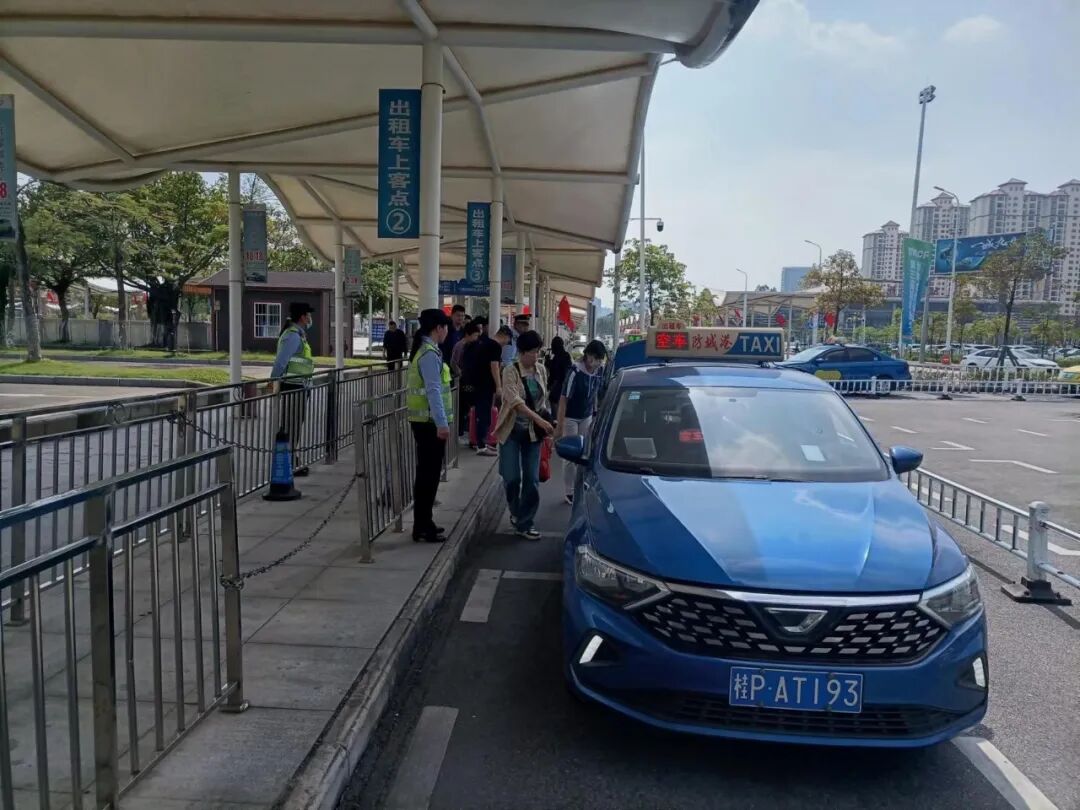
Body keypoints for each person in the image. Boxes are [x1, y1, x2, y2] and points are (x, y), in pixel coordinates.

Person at [494, 330, 551, 540]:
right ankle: (516, 511)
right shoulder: (510, 371)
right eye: (533, 352)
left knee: (531, 479)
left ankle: (526, 522)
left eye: (538, 351)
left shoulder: (541, 370)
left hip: (533, 434)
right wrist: (539, 419)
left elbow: (542, 400)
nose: (536, 356)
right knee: (511, 477)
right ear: (522, 352)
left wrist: (547, 420)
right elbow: (515, 402)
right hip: (511, 431)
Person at [406, 308, 453, 543]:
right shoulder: (429, 355)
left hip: (425, 422)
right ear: (438, 328)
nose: (447, 332)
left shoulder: (426, 351)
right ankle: (423, 525)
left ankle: (424, 523)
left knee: (428, 475)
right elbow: (433, 391)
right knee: (428, 476)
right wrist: (442, 424)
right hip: (429, 424)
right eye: (446, 328)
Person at [555, 339, 607, 505]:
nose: (596, 362)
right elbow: (563, 399)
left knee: (585, 454)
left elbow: (596, 393)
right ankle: (569, 490)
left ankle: (581, 485)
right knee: (570, 455)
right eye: (595, 358)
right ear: (588, 355)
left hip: (587, 416)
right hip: (570, 417)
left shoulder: (599, 371)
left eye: (599, 359)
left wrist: (595, 414)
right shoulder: (575, 372)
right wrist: (560, 424)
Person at [271, 302, 317, 476]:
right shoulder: (293, 336)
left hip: (299, 386)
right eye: (308, 315)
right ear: (303, 317)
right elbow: (281, 361)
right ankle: (288, 462)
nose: (310, 318)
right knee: (291, 424)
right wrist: (272, 381)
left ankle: (291, 459)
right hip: (293, 386)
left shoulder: (298, 335)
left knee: (294, 424)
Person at [465, 319, 509, 456]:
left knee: (483, 414)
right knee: (483, 414)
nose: (506, 344)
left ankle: (482, 442)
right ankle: (481, 445)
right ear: (504, 336)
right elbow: (494, 366)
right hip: (484, 385)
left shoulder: (485, 343)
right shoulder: (495, 346)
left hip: (478, 383)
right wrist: (499, 386)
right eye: (507, 341)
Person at [451, 321, 482, 440]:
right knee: (462, 407)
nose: (476, 338)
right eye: (475, 335)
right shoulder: (460, 346)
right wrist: (461, 373)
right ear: (468, 334)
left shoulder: (472, 345)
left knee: (467, 407)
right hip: (463, 381)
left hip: (468, 380)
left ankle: (467, 430)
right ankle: (460, 431)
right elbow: (454, 362)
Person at [544, 335, 573, 412]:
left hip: (557, 387)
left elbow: (554, 372)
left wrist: (547, 362)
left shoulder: (557, 357)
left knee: (555, 406)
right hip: (565, 387)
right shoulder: (566, 355)